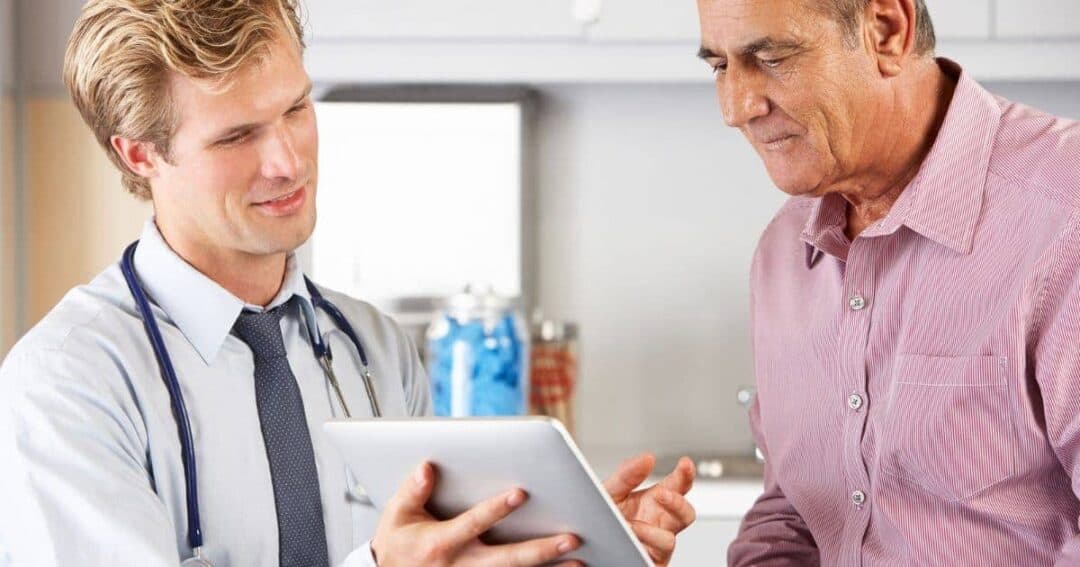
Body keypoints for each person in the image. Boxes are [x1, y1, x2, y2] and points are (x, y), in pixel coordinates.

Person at [0, 1, 697, 566]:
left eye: (297, 109)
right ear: (140, 152)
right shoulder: (67, 385)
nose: (288, 160)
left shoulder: (375, 348)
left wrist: (568, 545)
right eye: (238, 135)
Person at [694, 0, 1080, 564]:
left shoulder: (1063, 211)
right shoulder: (784, 250)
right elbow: (793, 513)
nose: (736, 108)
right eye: (720, 67)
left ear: (886, 32)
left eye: (772, 57)